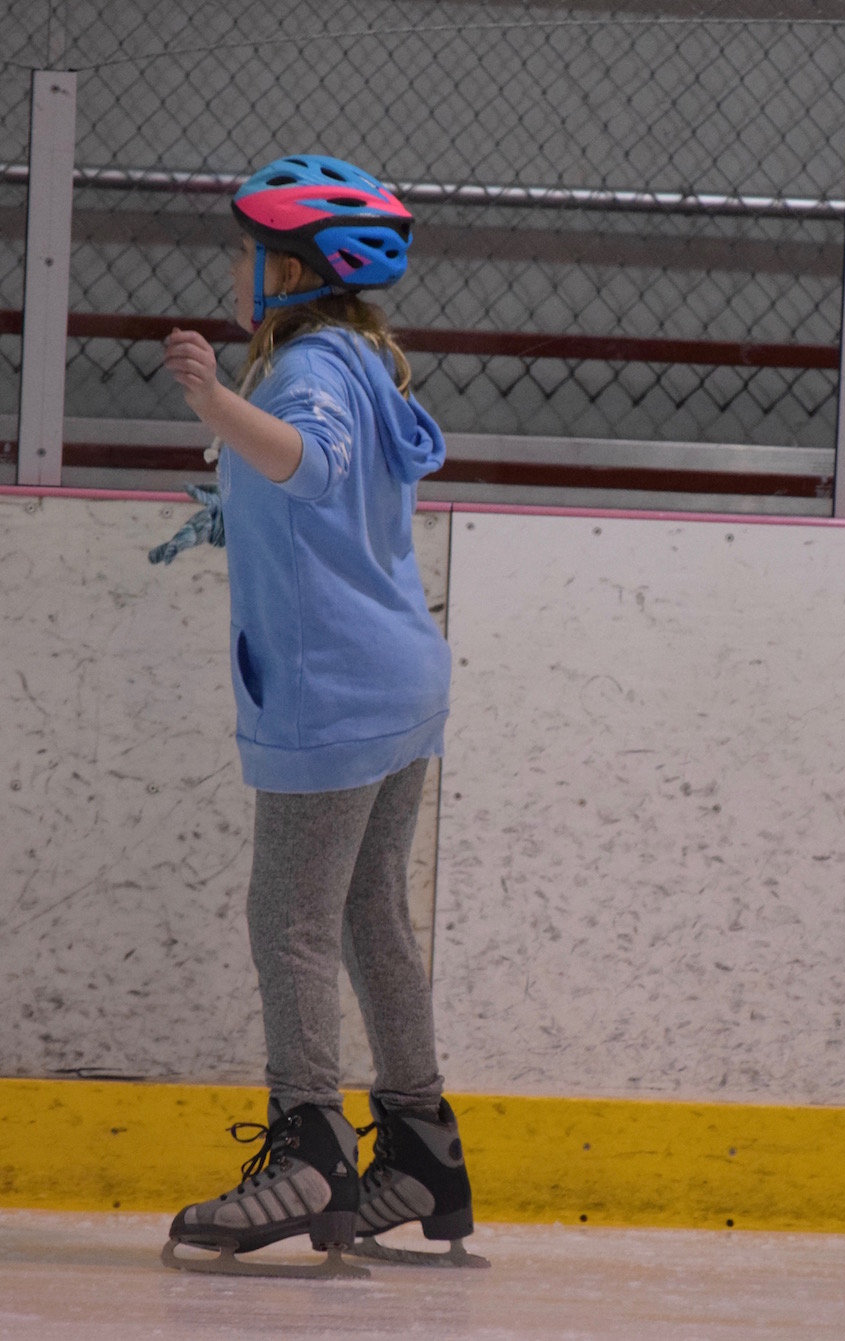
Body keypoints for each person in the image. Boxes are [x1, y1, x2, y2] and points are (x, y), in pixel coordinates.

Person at [158, 155, 482, 1277]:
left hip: (335, 691)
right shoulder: (361, 358)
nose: (243, 270)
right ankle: (424, 1151)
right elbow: (327, 500)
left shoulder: (302, 375)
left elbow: (310, 464)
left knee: (289, 918)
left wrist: (212, 402)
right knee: (367, 914)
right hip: (398, 679)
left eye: (253, 252)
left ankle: (308, 1148)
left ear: (286, 268)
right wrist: (232, 512)